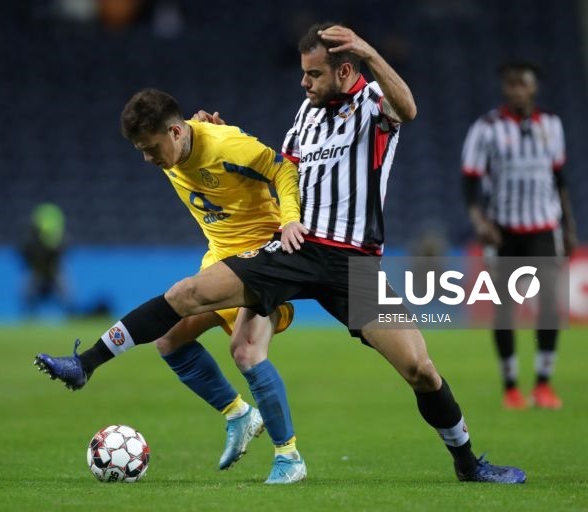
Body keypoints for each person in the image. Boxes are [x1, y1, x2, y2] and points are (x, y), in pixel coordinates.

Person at [37, 23, 527, 484]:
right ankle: (90, 363)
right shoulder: (306, 114)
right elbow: (279, 167)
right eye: (303, 71)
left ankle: (468, 464)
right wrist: (214, 132)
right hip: (293, 245)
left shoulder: (374, 102)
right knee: (190, 295)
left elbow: (410, 109)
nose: (304, 82)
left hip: (353, 262)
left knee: (419, 368)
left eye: (314, 73)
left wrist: (370, 53)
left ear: (344, 70)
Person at [36, 88, 309, 483]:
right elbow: (194, 147)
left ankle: (290, 458)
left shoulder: (226, 144)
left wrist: (288, 220)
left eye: (151, 147)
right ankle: (239, 415)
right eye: (140, 150)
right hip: (220, 258)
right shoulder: (181, 142)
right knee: (170, 342)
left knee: (246, 351)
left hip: (261, 256)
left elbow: (282, 168)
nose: (148, 159)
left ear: (176, 133)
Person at [461, 62, 577, 410]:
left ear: (534, 88)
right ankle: (510, 385)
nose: (516, 90)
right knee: (505, 309)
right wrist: (480, 221)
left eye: (522, 84)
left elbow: (559, 179)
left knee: (548, 308)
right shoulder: (486, 128)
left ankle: (543, 383)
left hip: (544, 226)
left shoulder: (552, 125)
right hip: (503, 230)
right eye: (510, 84)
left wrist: (569, 227)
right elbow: (469, 181)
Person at [20, 202, 78, 318]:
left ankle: (72, 315)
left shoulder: (62, 239)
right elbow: (24, 255)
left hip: (54, 271)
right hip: (37, 271)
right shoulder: (30, 241)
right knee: (28, 293)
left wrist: (53, 249)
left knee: (67, 294)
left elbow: (65, 251)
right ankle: (28, 318)